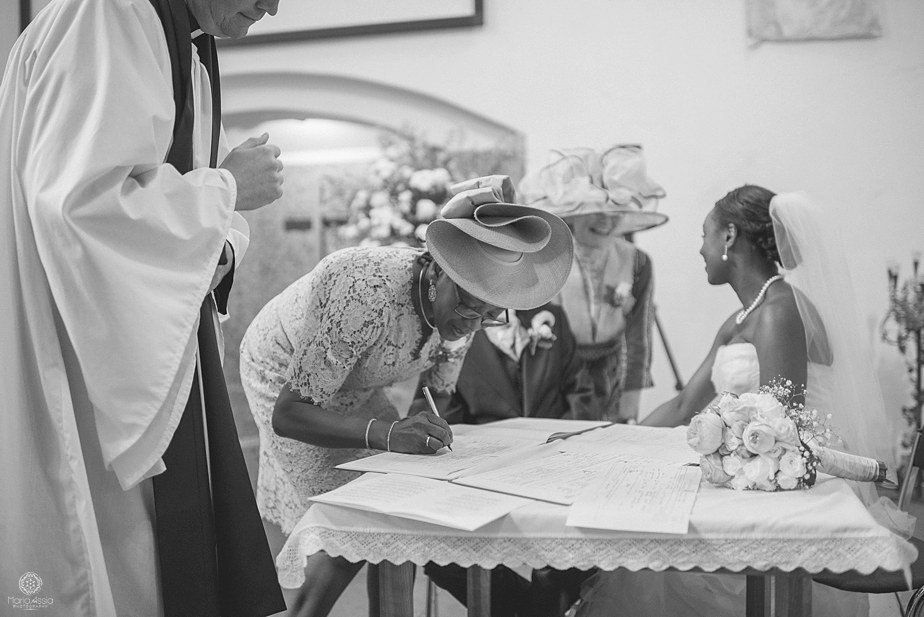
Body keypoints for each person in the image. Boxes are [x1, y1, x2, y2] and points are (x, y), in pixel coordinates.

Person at [0, 0, 287, 615]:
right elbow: (82, 209)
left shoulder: (177, 35)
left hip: (137, 325)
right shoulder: (111, 14)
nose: (273, 6)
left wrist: (222, 228)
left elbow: (180, 205)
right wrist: (228, 190)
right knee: (112, 557)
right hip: (84, 348)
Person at [240, 175, 573, 616]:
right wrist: (388, 432)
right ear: (437, 269)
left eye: (490, 315)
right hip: (283, 375)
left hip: (354, 383)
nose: (474, 324)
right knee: (356, 515)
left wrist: (423, 432)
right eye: (470, 307)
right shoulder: (365, 287)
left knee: (398, 504)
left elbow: (431, 398)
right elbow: (292, 414)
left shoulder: (469, 307)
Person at [577, 185, 901, 617]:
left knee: (658, 544)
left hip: (784, 483)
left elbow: (779, 424)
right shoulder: (743, 317)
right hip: (755, 467)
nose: (700, 249)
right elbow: (682, 405)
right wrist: (613, 440)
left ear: (729, 237)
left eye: (704, 234)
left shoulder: (780, 310)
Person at [415, 302, 595, 616]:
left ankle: (542, 598)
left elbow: (582, 394)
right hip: (485, 473)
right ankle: (534, 610)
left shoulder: (554, 318)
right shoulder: (455, 327)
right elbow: (441, 414)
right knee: (443, 555)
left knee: (576, 545)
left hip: (558, 468)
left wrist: (567, 446)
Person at [519, 145, 667, 423]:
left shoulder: (637, 262)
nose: (606, 220)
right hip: (554, 374)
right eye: (594, 210)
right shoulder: (544, 257)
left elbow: (638, 338)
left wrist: (629, 406)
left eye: (615, 211)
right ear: (571, 212)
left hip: (610, 377)